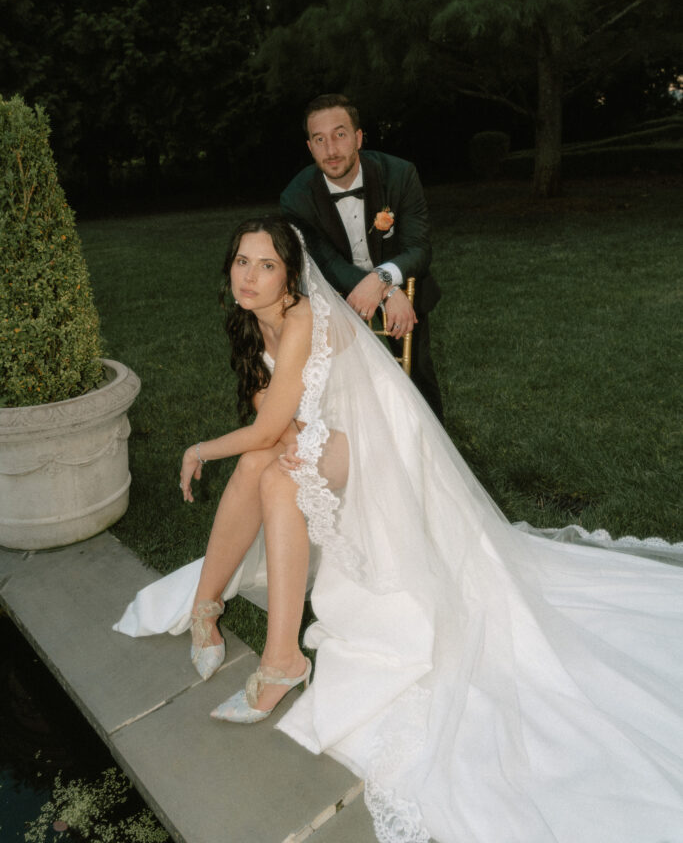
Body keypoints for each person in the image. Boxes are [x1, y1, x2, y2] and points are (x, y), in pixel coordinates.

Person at [115, 215, 683, 843]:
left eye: (266, 265)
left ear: (291, 275)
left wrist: (199, 448)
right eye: (241, 262)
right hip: (320, 428)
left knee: (270, 472)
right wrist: (277, 439)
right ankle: (211, 610)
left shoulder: (302, 318)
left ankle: (278, 660)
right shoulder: (253, 319)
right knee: (261, 464)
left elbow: (274, 422)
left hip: (379, 438)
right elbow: (270, 419)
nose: (249, 276)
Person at [280, 93, 444, 422]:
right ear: (309, 147)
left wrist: (384, 281)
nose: (331, 149)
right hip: (335, 296)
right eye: (319, 139)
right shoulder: (295, 198)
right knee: (344, 389)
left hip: (403, 291)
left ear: (358, 137)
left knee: (418, 377)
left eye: (340, 134)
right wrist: (388, 290)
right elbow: (325, 262)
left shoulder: (399, 174)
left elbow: (419, 249)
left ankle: (431, 451)